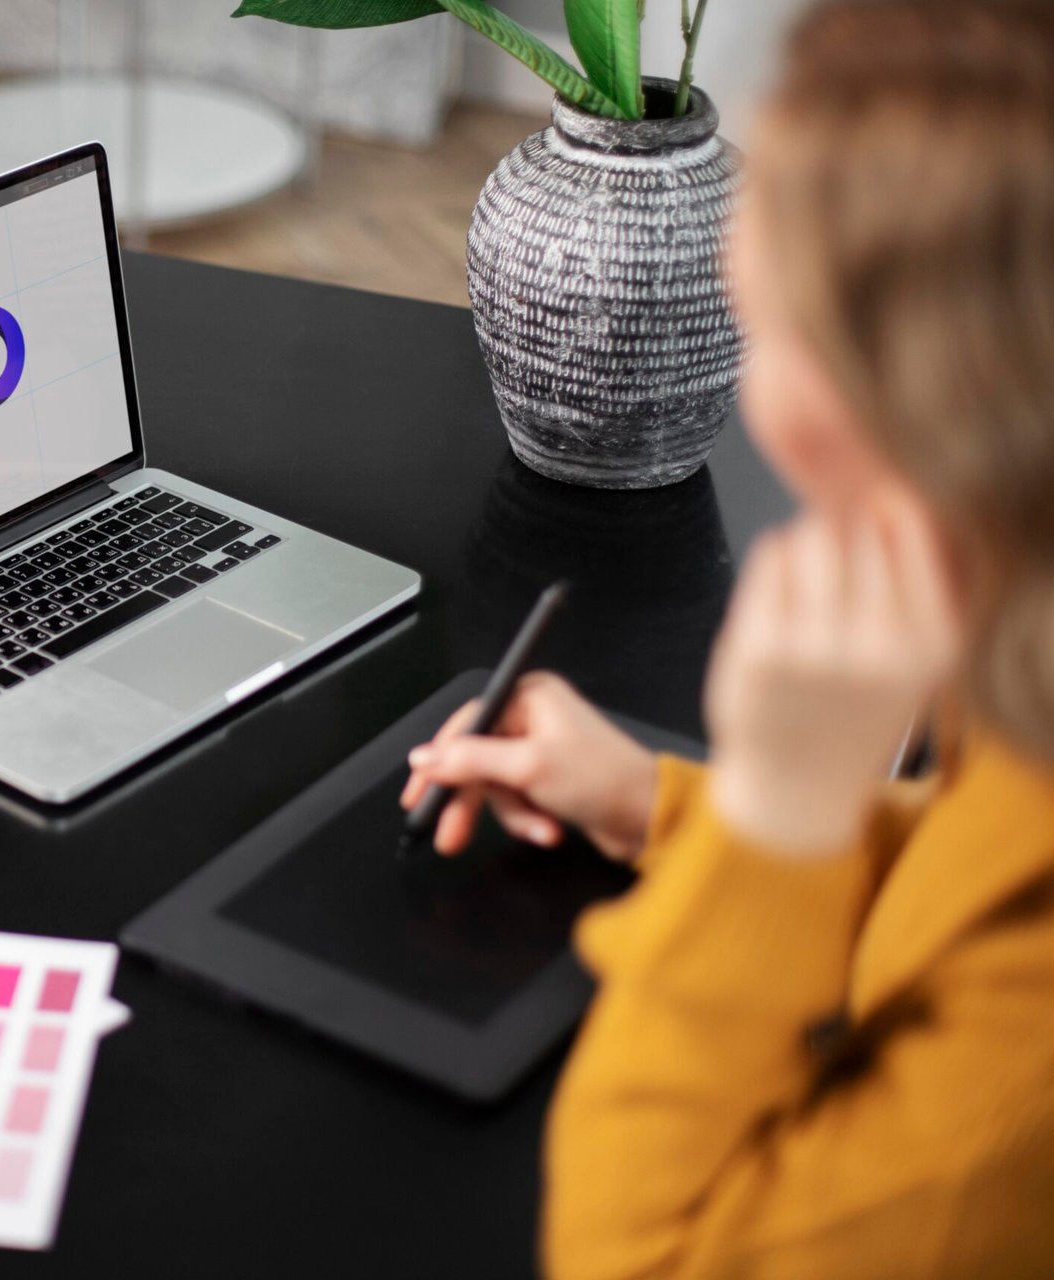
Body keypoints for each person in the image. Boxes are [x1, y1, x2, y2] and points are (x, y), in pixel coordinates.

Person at [399, 2, 1054, 1275]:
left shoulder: (1017, 1078)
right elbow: (980, 867)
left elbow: (630, 1254)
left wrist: (772, 822)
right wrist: (675, 805)